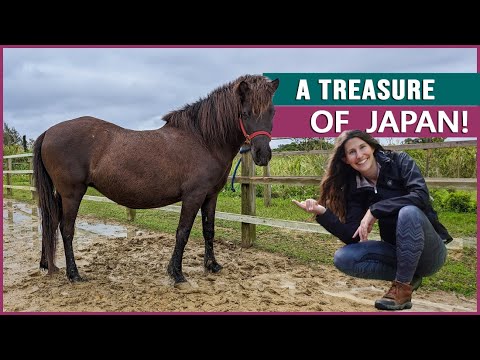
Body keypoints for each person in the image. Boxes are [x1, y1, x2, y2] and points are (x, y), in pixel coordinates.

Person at [292, 130, 452, 311]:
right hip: (397, 253)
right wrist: (322, 212)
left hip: (430, 254)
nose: (359, 155)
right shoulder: (356, 187)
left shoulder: (400, 161)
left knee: (408, 212)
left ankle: (401, 287)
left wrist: (375, 210)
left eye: (362, 147)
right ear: (345, 159)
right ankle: (408, 277)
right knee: (344, 258)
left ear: (373, 147)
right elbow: (353, 237)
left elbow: (420, 196)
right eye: (352, 152)